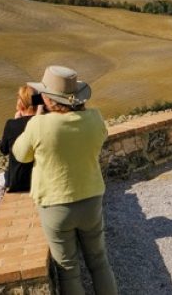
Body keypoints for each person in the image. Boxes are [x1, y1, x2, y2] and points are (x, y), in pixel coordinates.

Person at [13, 65, 118, 295]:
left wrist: (36, 119)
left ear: (49, 100)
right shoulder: (94, 118)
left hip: (55, 207)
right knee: (99, 262)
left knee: (69, 270)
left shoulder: (39, 125)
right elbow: (100, 138)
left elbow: (20, 154)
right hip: (91, 200)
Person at [0, 85, 39, 204]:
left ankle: (0, 207)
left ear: (21, 104)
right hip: (39, 178)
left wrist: (15, 121)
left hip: (18, 181)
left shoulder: (11, 125)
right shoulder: (43, 123)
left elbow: (3, 150)